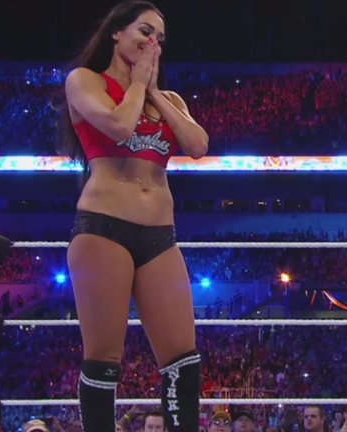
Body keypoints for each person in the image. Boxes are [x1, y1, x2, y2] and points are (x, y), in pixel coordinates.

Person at [58, 1, 209, 432]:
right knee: (104, 360)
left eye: (160, 38)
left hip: (160, 236)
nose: (152, 43)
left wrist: (155, 91)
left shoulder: (168, 99)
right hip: (103, 229)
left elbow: (198, 145)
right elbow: (119, 126)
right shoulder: (85, 81)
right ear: (116, 32)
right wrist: (138, 85)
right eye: (145, 32)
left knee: (183, 360)